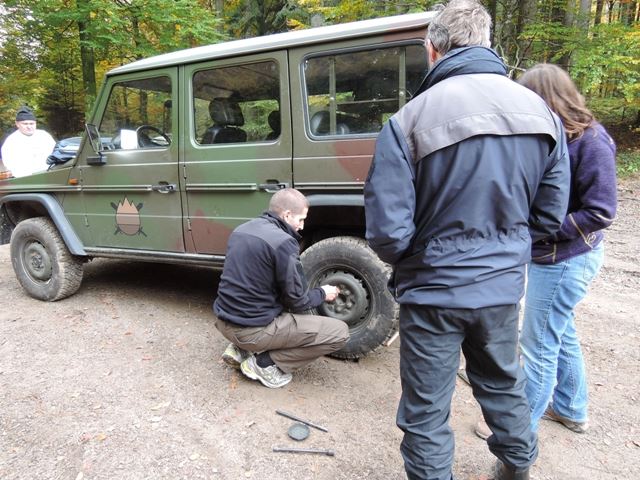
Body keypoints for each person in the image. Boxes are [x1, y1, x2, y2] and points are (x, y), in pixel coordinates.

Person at [363, 1, 571, 479]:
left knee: (426, 408)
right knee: (503, 385)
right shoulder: (541, 113)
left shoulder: (409, 119)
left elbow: (387, 232)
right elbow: (549, 215)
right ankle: (517, 468)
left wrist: (423, 260)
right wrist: (505, 252)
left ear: (432, 48)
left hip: (433, 291)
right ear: (486, 43)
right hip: (500, 287)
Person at [517, 64, 617, 435]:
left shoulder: (591, 142)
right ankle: (571, 408)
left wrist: (542, 231)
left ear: (547, 99)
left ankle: (519, 433)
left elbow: (601, 211)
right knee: (560, 331)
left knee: (538, 344)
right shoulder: (553, 138)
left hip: (565, 260)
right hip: (549, 256)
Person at [213, 188, 350, 389]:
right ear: (286, 215)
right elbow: (298, 301)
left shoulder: (241, 230)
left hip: (224, 321)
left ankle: (239, 349)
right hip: (250, 331)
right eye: (301, 219)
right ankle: (264, 364)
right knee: (340, 332)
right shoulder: (283, 242)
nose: (302, 226)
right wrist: (323, 293)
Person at [1, 106, 56, 178]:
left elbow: (55, 154)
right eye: (25, 124)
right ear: (17, 124)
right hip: (25, 179)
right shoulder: (11, 142)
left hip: (49, 175)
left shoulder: (44, 135)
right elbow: (11, 165)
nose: (29, 127)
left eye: (32, 123)